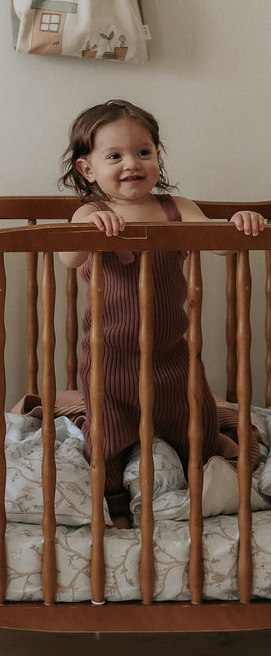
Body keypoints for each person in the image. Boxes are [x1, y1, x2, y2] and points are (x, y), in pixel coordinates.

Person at [58, 99, 266, 524]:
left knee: (195, 418)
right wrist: (89, 231)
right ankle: (114, 500)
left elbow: (221, 242)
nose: (131, 163)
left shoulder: (176, 209)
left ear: (157, 155)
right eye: (114, 155)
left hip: (172, 354)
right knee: (109, 432)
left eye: (143, 152)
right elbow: (67, 256)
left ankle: (205, 477)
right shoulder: (91, 213)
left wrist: (243, 222)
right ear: (87, 169)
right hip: (111, 358)